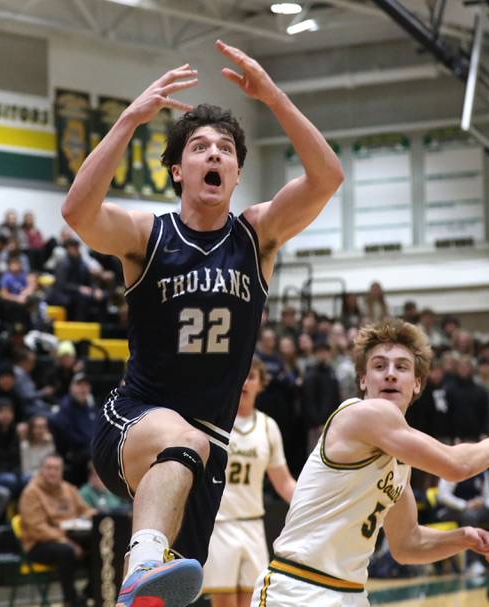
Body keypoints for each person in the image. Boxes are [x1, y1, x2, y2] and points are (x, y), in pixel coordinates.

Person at [63, 40, 343, 606]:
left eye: (224, 149)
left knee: (164, 599)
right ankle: (142, 558)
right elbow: (78, 214)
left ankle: (140, 579)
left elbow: (326, 178)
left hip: (209, 450)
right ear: (177, 170)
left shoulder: (256, 234)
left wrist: (273, 97)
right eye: (198, 147)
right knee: (180, 442)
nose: (213, 154)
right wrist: (128, 119)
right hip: (135, 420)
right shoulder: (149, 235)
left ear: (237, 172)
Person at [250, 319, 489, 605]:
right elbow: (455, 466)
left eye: (401, 367)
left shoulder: (401, 461)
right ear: (363, 379)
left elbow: (407, 543)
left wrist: (462, 538)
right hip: (297, 590)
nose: (390, 374)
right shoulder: (364, 414)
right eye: (379, 366)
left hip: (349, 593)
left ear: (417, 384)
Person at [203, 357, 295, 607]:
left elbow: (283, 481)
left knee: (253, 602)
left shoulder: (268, 427)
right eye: (241, 376)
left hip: (253, 524)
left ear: (260, 384)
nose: (245, 382)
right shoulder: (215, 422)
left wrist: (312, 505)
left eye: (251, 377)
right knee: (224, 603)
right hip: (220, 525)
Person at [18, 453, 94, 607]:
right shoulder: (31, 493)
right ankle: (70, 600)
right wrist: (66, 540)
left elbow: (86, 510)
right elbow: (37, 529)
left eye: (57, 469)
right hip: (39, 544)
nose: (53, 472)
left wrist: (86, 518)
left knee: (100, 543)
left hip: (71, 537)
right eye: (49, 468)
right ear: (41, 470)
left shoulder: (68, 488)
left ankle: (91, 593)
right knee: (65, 551)